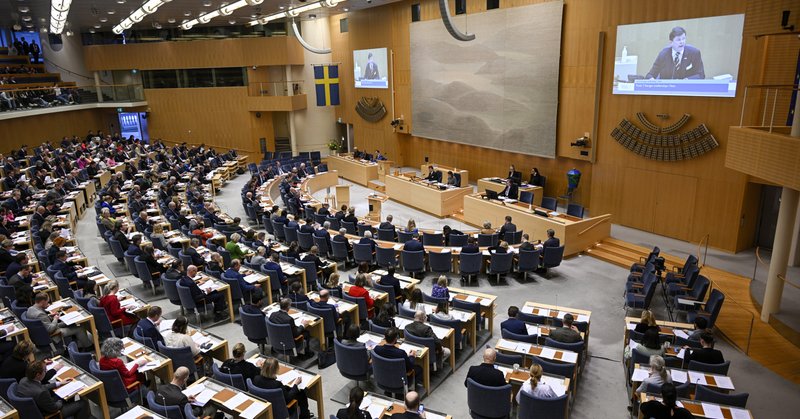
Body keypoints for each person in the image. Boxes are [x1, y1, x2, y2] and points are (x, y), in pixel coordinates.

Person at [17, 360, 90, 418]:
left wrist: (59, 383)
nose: (46, 371)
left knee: (70, 397)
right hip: (50, 414)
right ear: (38, 375)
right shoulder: (41, 393)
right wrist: (61, 400)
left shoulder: (23, 380)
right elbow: (54, 408)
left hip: (35, 409)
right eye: (45, 370)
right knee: (83, 403)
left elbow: (41, 387)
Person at [26, 292, 93, 350]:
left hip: (43, 331)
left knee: (70, 323)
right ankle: (88, 346)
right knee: (79, 328)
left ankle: (78, 343)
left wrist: (50, 316)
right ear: (42, 302)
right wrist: (55, 318)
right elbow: (50, 329)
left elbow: (41, 321)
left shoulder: (30, 309)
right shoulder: (40, 314)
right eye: (47, 302)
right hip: (53, 333)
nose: (48, 304)